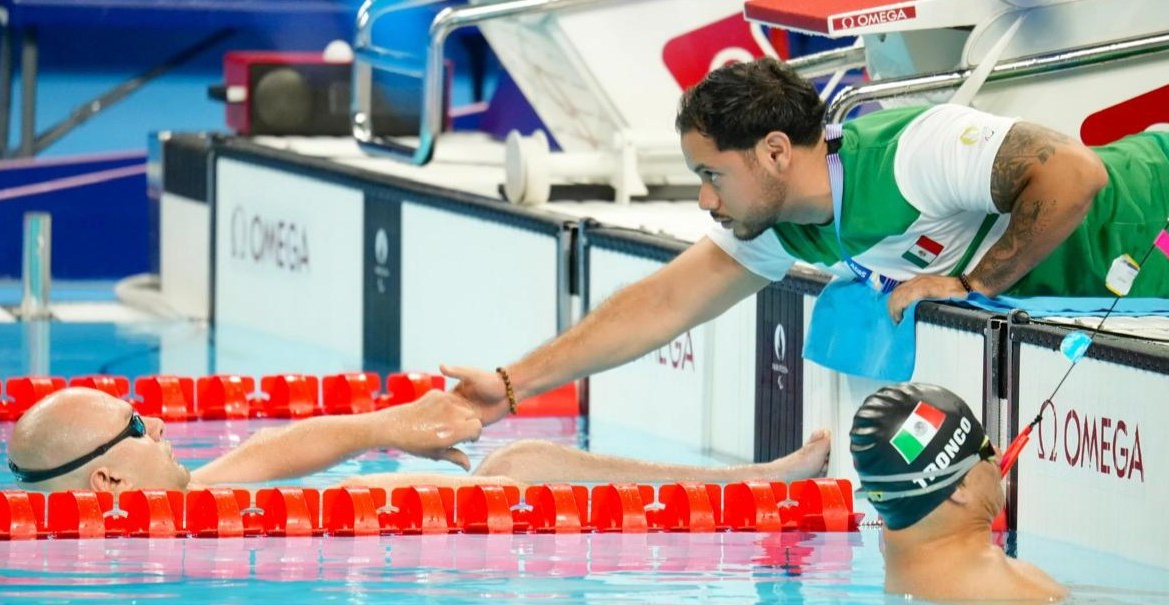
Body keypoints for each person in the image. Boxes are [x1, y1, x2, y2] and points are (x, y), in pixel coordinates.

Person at [444, 57, 1169, 423]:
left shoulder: (916, 150)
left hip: (1150, 211)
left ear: (775, 152)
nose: (702, 199)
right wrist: (513, 385)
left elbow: (1073, 175)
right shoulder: (782, 221)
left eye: (709, 175)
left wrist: (977, 282)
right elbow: (663, 304)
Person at [5, 387, 832, 494]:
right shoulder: (170, 537)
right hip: (469, 540)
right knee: (521, 466)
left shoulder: (195, 497)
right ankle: (757, 482)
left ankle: (755, 478)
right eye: (142, 428)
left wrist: (389, 428)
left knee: (517, 465)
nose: (164, 425)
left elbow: (281, 448)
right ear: (109, 480)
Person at [849, 382, 1065, 603]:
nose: (999, 456)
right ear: (959, 487)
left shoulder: (898, 567)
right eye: (986, 449)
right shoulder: (1026, 598)